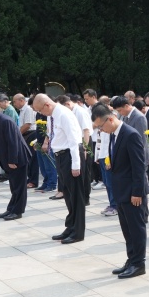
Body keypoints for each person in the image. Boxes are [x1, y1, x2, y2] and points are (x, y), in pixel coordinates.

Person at [93, 103, 149, 278]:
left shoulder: (130, 134)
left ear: (110, 119)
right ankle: (131, 259)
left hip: (133, 192)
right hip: (121, 190)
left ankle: (139, 264)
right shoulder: (114, 134)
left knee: (136, 229)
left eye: (101, 126)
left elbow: (139, 166)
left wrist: (137, 192)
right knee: (127, 229)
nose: (101, 130)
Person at [32, 93, 88, 244]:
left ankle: (78, 232)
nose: (41, 114)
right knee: (67, 194)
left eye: (41, 110)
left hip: (70, 155)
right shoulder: (52, 116)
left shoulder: (64, 114)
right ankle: (70, 227)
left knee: (76, 196)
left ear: (47, 105)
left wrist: (75, 165)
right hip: (60, 156)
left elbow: (74, 140)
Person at [13, 94, 39, 190]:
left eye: (15, 101)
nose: (14, 104)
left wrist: (17, 134)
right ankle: (29, 178)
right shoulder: (22, 110)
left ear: (21, 100)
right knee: (27, 157)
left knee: (32, 158)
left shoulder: (28, 109)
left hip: (31, 134)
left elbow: (28, 124)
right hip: (25, 134)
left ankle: (33, 181)